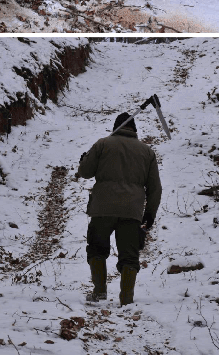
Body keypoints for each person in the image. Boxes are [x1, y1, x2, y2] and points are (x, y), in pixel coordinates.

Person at [77, 113, 162, 305]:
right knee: (129, 256)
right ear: (134, 129)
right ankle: (126, 299)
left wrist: (84, 160)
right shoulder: (147, 152)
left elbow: (85, 172)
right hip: (132, 211)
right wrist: (150, 213)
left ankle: (99, 293)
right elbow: (155, 187)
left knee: (97, 249)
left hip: (102, 208)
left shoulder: (103, 144)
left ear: (116, 127)